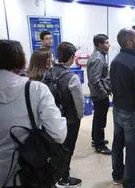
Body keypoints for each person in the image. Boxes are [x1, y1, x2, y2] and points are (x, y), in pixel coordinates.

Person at [0, 40, 67, 187]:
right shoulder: (36, 89)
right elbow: (58, 134)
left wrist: (0, 139)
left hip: (4, 171)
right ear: (20, 59)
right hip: (35, 169)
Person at [110, 28, 135, 188]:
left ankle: (118, 176)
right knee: (132, 150)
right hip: (132, 114)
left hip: (117, 110)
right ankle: (130, 183)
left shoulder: (115, 60)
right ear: (129, 42)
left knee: (117, 144)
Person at [42, 42, 84, 187]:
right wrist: (80, 116)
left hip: (51, 117)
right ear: (72, 57)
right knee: (68, 148)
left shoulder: (48, 72)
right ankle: (64, 178)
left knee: (55, 147)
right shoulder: (72, 77)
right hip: (70, 119)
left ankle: (54, 173)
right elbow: (79, 103)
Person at [87, 34, 111, 155]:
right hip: (100, 95)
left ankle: (96, 139)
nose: (108, 45)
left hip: (98, 94)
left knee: (98, 118)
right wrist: (104, 93)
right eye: (106, 43)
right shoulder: (98, 58)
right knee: (100, 119)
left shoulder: (100, 56)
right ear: (99, 44)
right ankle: (99, 145)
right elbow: (94, 80)